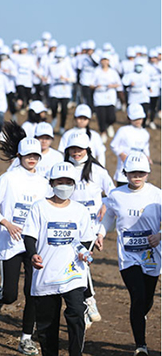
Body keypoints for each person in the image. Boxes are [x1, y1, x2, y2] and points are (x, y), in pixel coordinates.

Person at [23, 162, 94, 356]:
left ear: (74, 185)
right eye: (60, 182)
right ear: (51, 183)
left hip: (73, 274)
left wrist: (84, 253)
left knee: (75, 314)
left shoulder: (80, 210)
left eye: (69, 182)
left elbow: (86, 239)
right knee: (48, 324)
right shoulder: (39, 207)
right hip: (46, 274)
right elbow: (30, 236)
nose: (64, 186)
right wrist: (33, 254)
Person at [0, 133, 49, 356]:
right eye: (27, 155)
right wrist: (6, 223)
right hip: (10, 242)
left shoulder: (44, 183)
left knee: (33, 291)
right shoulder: (7, 178)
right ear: (19, 155)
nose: (31, 159)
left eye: (35, 155)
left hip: (34, 245)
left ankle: (26, 338)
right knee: (12, 294)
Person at [97, 152, 161, 356]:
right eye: (133, 172)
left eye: (141, 173)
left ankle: (138, 319)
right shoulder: (117, 194)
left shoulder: (157, 195)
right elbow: (108, 215)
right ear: (125, 173)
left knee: (147, 300)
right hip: (128, 256)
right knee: (138, 296)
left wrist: (160, 235)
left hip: (152, 255)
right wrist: (101, 233)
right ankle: (141, 346)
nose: (137, 176)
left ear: (147, 173)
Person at [63, 132, 115, 328]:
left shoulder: (98, 171)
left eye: (80, 149)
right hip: (67, 226)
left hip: (90, 227)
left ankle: (89, 301)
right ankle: (84, 304)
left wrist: (105, 204)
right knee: (74, 265)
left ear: (87, 150)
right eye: (73, 149)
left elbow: (112, 194)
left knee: (81, 262)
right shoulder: (63, 169)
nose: (76, 153)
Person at [111, 104, 151, 186]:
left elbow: (146, 147)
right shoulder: (123, 131)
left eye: (139, 118)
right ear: (129, 118)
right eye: (135, 119)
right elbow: (113, 145)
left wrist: (147, 157)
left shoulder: (145, 133)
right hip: (125, 167)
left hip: (139, 167)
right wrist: (121, 154)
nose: (137, 121)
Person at [90, 54, 123, 142]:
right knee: (101, 116)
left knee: (111, 117)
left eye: (106, 60)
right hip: (99, 97)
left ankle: (109, 125)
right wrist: (97, 86)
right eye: (103, 60)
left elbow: (119, 83)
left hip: (110, 97)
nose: (104, 62)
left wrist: (112, 86)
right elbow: (91, 84)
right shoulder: (96, 71)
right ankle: (103, 132)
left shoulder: (113, 72)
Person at [46, 46, 76, 134]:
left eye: (61, 57)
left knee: (64, 110)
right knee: (53, 106)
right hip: (54, 90)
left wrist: (65, 79)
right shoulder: (51, 65)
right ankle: (54, 117)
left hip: (65, 91)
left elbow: (73, 78)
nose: (59, 59)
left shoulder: (67, 65)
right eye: (58, 57)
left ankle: (62, 126)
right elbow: (47, 77)